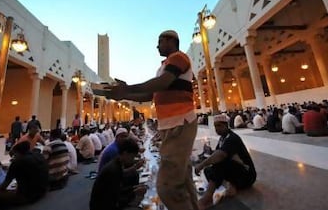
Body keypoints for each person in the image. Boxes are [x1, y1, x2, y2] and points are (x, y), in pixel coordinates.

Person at [105, 30, 198, 210]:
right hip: (172, 124)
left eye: (160, 41)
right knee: (183, 179)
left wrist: (127, 89)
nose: (157, 46)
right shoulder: (164, 66)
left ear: (171, 40)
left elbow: (162, 83)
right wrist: (124, 95)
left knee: (167, 187)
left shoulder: (179, 58)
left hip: (180, 122)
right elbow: (150, 94)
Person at [194, 114, 256, 210]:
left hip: (247, 176)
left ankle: (208, 197)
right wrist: (206, 153)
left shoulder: (232, 138)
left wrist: (201, 165)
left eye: (219, 126)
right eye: (215, 126)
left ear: (226, 125)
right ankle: (231, 184)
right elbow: (216, 153)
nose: (216, 128)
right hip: (236, 172)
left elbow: (220, 155)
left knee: (219, 163)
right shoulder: (223, 138)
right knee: (208, 170)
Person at [90, 138, 147, 210]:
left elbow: (117, 189)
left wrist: (133, 189)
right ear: (125, 153)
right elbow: (115, 200)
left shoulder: (116, 162)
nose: (133, 160)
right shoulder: (113, 170)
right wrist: (134, 193)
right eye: (132, 157)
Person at [0, 141, 49, 207]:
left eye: (14, 155)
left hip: (28, 196)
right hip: (44, 190)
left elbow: (5, 184)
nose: (13, 157)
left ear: (18, 152)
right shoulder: (39, 155)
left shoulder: (17, 162)